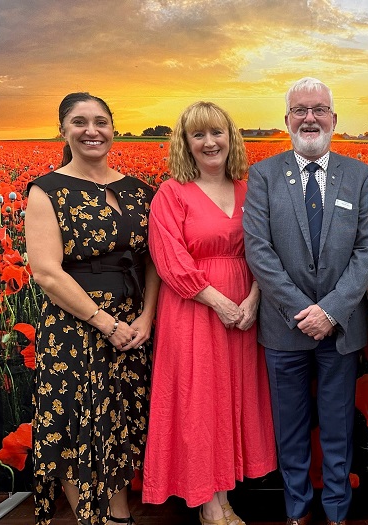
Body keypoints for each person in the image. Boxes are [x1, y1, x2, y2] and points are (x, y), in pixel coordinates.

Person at [242, 77, 368, 525]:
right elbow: (258, 249)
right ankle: (297, 512)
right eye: (300, 110)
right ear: (286, 120)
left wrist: (331, 311)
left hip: (340, 329)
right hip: (284, 328)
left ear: (334, 120)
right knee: (291, 429)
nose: (309, 117)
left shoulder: (359, 176)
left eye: (318, 109)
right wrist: (301, 311)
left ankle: (337, 512)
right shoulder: (264, 175)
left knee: (339, 427)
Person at [26, 92, 160, 525]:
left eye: (100, 122)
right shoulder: (47, 191)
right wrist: (104, 322)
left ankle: (119, 516)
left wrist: (145, 318)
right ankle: (90, 519)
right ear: (63, 131)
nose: (91, 131)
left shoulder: (140, 192)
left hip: (131, 323)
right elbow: (46, 272)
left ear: (113, 130)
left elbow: (152, 262)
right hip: (74, 326)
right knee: (73, 423)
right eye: (79, 122)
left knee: (119, 419)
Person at [142, 101, 276, 525]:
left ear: (230, 138)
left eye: (216, 132)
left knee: (231, 399)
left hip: (245, 308)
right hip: (195, 309)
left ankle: (225, 495)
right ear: (185, 143)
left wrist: (254, 297)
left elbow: (266, 249)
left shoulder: (248, 188)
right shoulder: (171, 193)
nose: (208, 142)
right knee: (200, 402)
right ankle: (209, 505)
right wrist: (218, 301)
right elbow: (169, 260)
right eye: (197, 134)